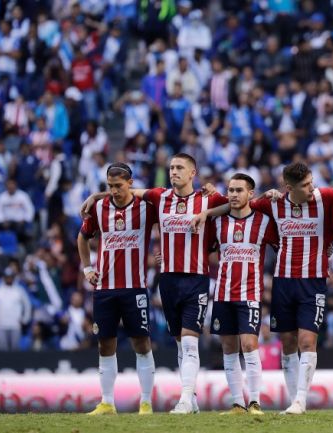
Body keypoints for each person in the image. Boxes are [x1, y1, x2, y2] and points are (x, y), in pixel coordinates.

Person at [192, 162, 333, 414]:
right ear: (289, 188)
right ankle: (293, 399)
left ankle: (301, 400)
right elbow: (238, 205)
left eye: (311, 182)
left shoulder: (326, 196)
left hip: (313, 282)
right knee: (287, 341)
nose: (311, 188)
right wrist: (207, 213)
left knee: (307, 342)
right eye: (306, 185)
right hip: (283, 282)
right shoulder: (273, 203)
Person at [82, 153, 226, 414]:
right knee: (181, 343)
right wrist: (96, 197)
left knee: (189, 341)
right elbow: (125, 190)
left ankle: (178, 400)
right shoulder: (159, 197)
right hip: (168, 280)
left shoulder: (208, 197)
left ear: (193, 173)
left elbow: (235, 204)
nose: (173, 172)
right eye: (171, 167)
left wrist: (208, 211)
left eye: (179, 167)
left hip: (195, 279)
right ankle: (189, 397)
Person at [77, 163, 158, 415]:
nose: (113, 191)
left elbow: (166, 196)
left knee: (141, 343)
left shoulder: (146, 207)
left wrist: (95, 194)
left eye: (118, 186)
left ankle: (145, 402)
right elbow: (82, 238)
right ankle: (107, 402)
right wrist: (87, 269)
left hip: (134, 288)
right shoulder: (99, 209)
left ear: (131, 183)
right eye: (109, 186)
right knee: (104, 344)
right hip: (104, 289)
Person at [208, 173, 278, 416]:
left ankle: (255, 402)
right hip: (222, 294)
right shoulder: (217, 223)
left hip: (250, 294)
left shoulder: (264, 222)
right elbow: (203, 247)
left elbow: (285, 245)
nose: (234, 195)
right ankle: (238, 403)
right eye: (230, 190)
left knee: (249, 345)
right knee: (228, 347)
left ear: (251, 193)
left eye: (239, 190)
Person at [0, 266, 31, 351]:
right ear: (4, 277)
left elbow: (27, 305)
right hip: (1, 325)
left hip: (15, 325)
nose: (9, 279)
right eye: (7, 277)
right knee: (2, 349)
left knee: (15, 349)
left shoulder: (19, 290)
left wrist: (25, 319)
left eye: (10, 277)